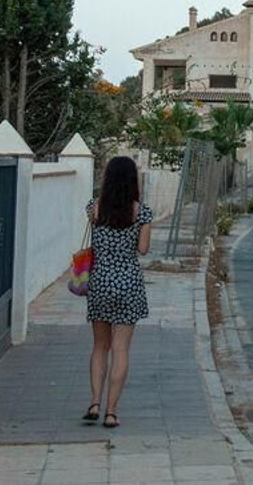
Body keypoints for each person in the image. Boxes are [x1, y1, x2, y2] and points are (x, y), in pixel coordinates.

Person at [83, 156, 153, 429]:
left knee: (100, 347)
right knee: (121, 348)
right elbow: (144, 249)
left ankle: (94, 402)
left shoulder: (94, 208)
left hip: (99, 282)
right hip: (128, 283)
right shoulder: (142, 212)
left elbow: (94, 241)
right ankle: (111, 412)